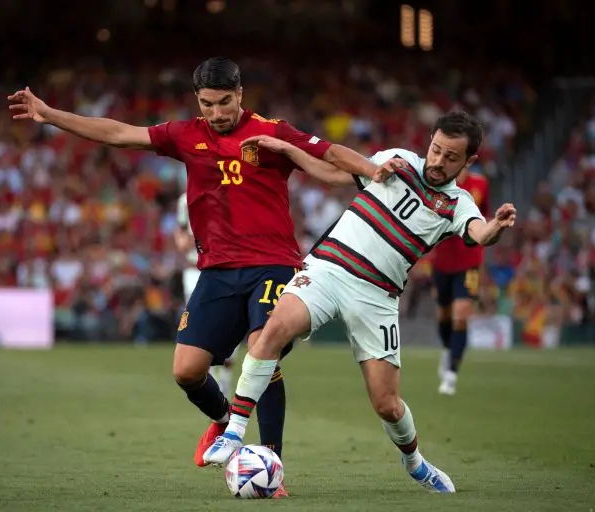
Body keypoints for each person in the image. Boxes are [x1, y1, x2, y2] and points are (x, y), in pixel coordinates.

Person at [8, 57, 386, 498]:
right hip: (217, 270)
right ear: (198, 101)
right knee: (187, 372)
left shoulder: (273, 131)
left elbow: (331, 154)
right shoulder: (184, 135)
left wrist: (373, 169)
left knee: (262, 351)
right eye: (208, 104)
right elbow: (116, 133)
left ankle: (271, 463)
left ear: (240, 95)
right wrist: (50, 115)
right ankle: (227, 422)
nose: (217, 112)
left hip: (274, 263)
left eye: (225, 102)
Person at [203, 111, 517, 494]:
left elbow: (479, 233)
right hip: (328, 270)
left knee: (387, 404)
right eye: (435, 149)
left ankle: (415, 463)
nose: (438, 161)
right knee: (272, 330)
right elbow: (336, 174)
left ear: (468, 162)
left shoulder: (458, 204)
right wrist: (286, 148)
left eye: (451, 157)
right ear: (429, 141)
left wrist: (496, 227)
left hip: (377, 297)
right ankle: (234, 431)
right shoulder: (398, 160)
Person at [430, 168, 491, 395]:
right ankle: (447, 350)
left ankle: (452, 374)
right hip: (443, 262)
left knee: (461, 314)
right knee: (444, 315)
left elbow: (484, 217)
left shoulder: (481, 184)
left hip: (470, 262)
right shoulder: (438, 183)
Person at [174, 192, 235, 399]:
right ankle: (208, 373)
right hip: (194, 269)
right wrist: (182, 241)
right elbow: (181, 230)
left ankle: (224, 369)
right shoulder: (185, 199)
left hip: (222, 268)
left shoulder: (228, 192)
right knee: (201, 319)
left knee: (228, 320)